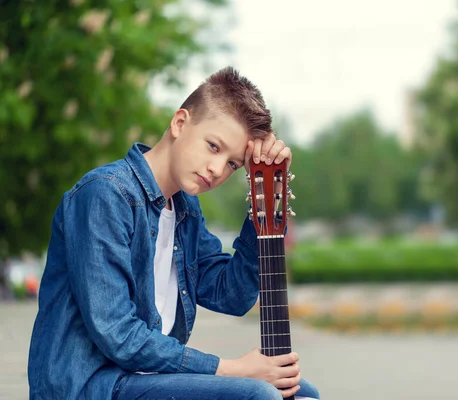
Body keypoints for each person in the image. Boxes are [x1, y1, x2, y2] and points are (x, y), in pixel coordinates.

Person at [28, 67, 320, 400]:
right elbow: (117, 334)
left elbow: (233, 295)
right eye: (213, 146)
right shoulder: (106, 195)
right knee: (258, 394)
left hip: (146, 380)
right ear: (180, 123)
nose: (217, 169)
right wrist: (231, 369)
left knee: (298, 391)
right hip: (93, 386)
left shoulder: (184, 209)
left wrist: (263, 210)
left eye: (233, 165)